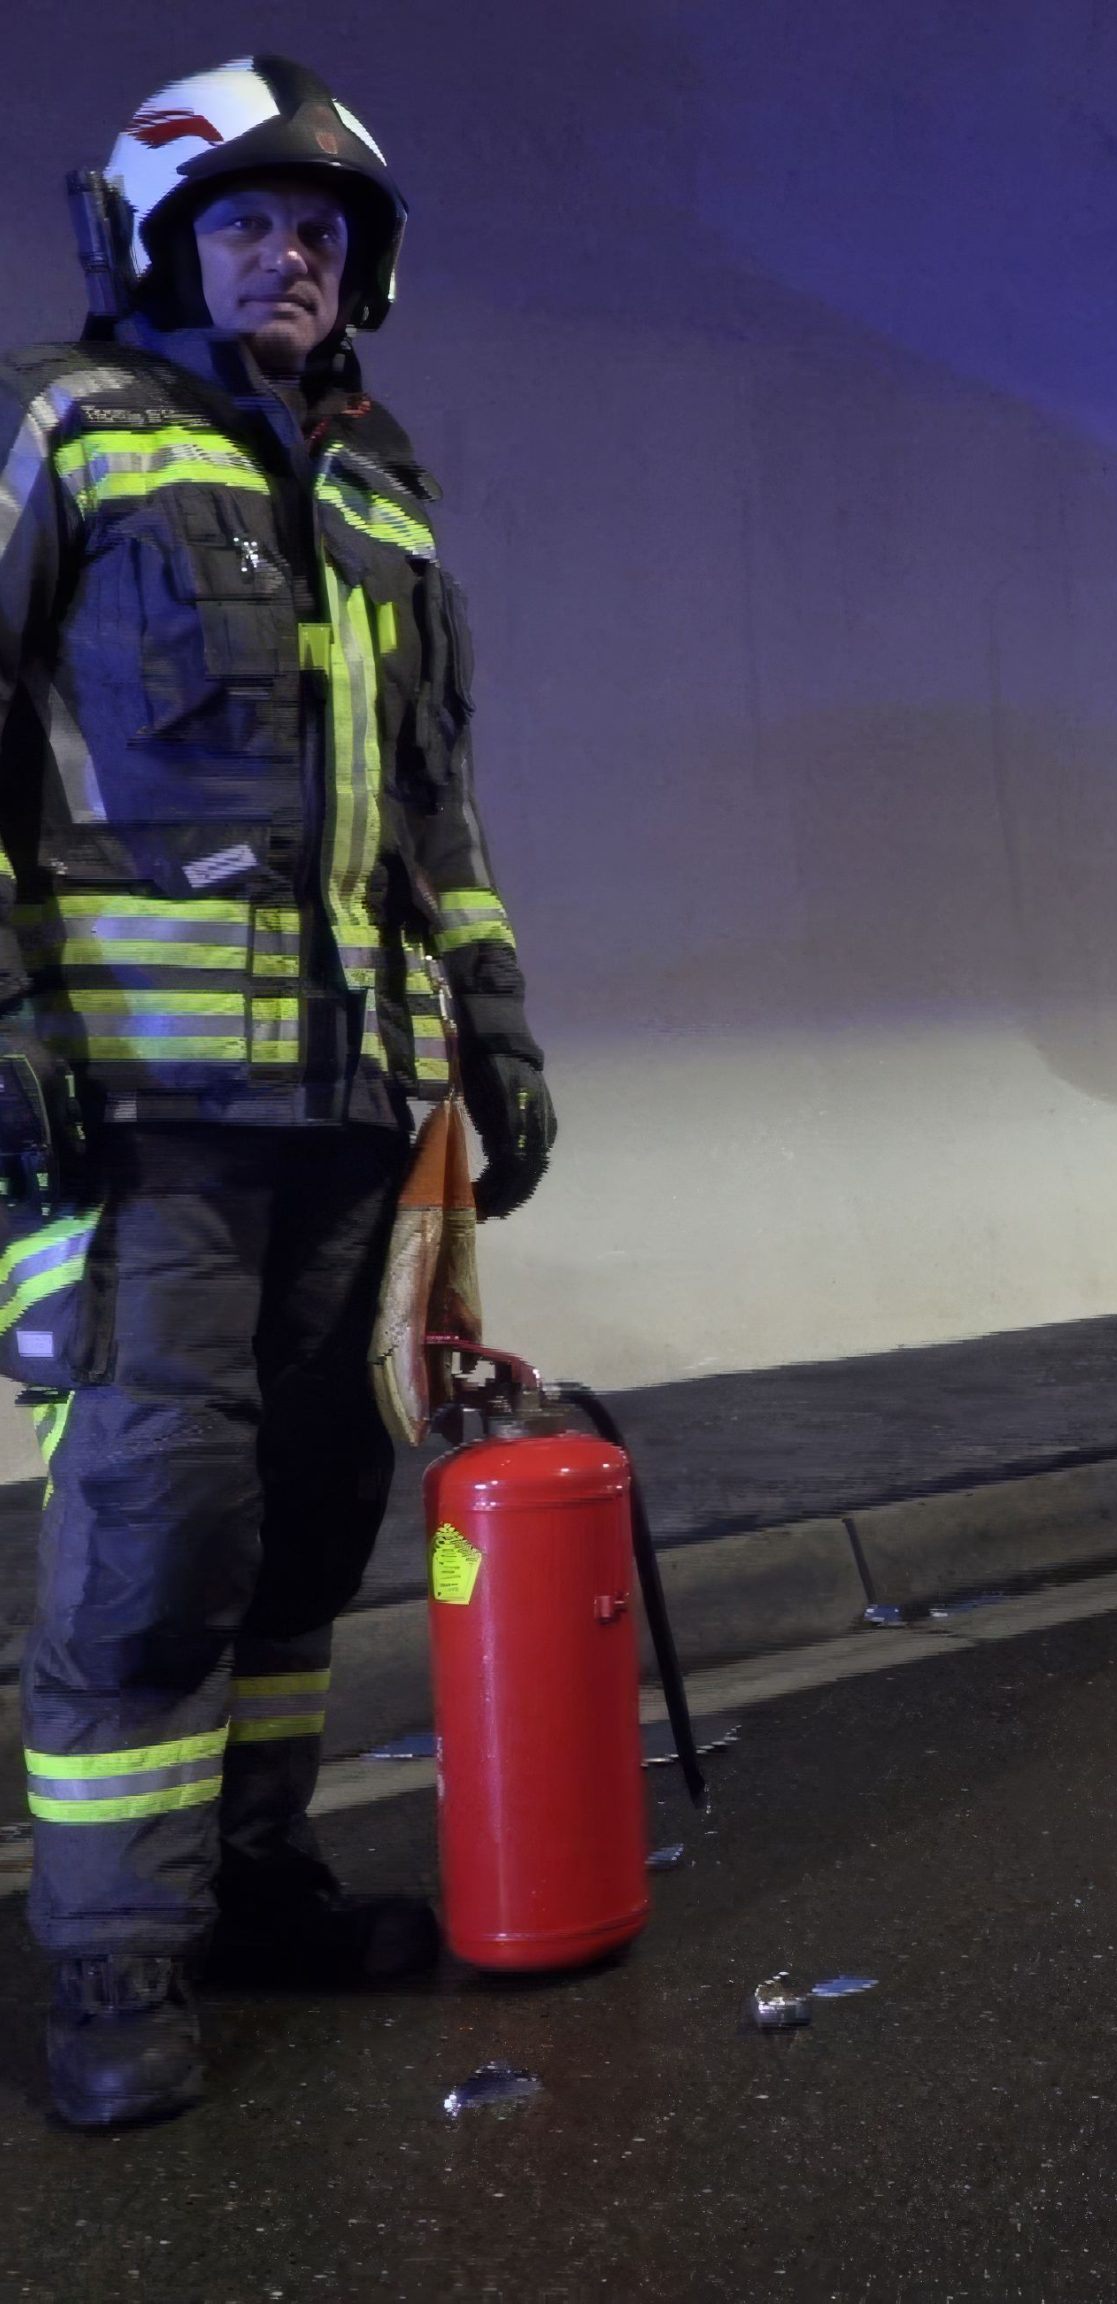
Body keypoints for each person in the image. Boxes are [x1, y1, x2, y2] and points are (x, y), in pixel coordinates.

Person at [4, 57, 551, 2127]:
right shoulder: (64, 427)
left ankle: (248, 1883)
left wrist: (492, 1021)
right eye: (246, 221)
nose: (289, 256)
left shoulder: (379, 490)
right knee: (160, 1521)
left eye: (319, 232)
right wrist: (9, 1030)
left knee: (310, 1516)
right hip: (140, 1116)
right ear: (161, 241)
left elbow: (435, 808)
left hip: (348, 1111)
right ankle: (113, 1961)